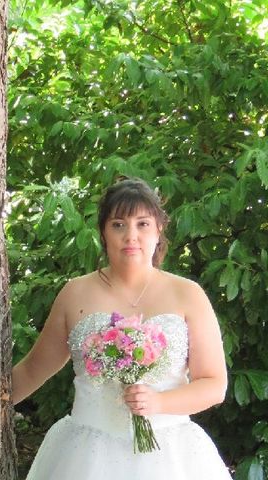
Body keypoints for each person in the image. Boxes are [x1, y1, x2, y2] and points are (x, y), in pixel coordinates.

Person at [12, 177, 231, 479]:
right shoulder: (75, 293)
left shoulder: (187, 294)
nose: (131, 236)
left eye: (142, 224)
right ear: (103, 232)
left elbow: (214, 384)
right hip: (85, 456)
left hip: (170, 457)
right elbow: (32, 369)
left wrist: (158, 402)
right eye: (118, 225)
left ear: (158, 230)